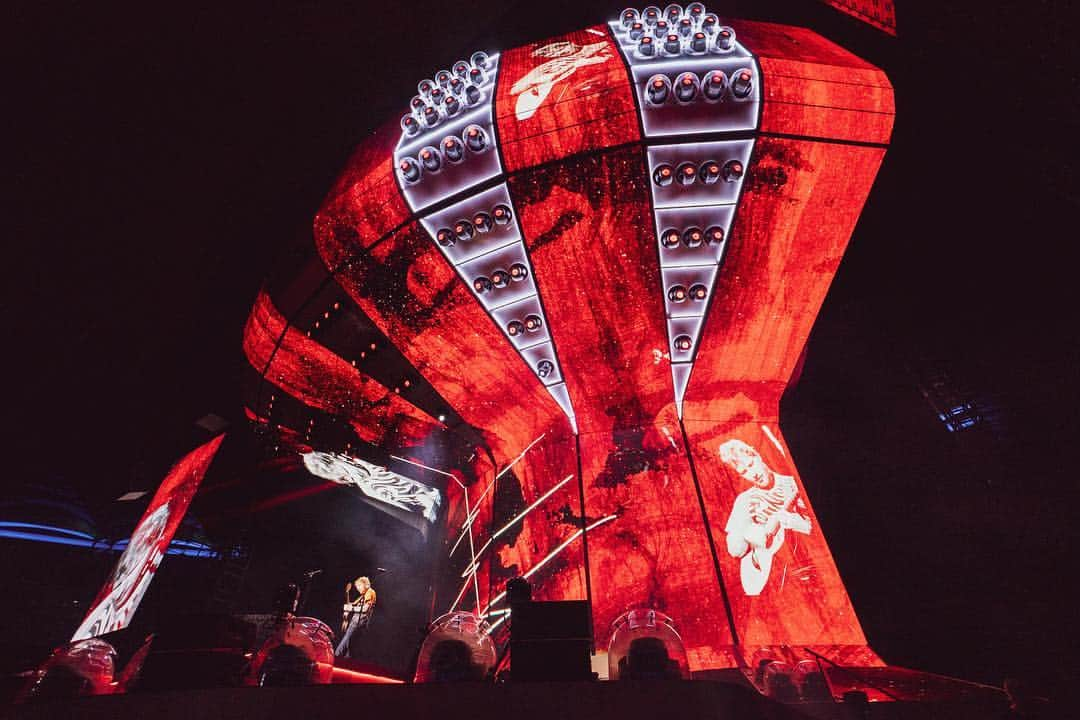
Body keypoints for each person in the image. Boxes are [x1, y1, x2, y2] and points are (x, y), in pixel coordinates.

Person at [719, 439, 812, 596]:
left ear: (758, 455)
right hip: (771, 578)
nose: (753, 474)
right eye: (744, 472)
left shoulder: (793, 484)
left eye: (751, 464)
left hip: (805, 569)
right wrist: (747, 530)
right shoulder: (745, 500)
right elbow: (735, 551)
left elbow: (814, 529)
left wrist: (792, 521)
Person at [334, 576, 376, 658]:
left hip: (360, 621)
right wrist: (349, 604)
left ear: (365, 585)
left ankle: (336, 656)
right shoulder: (364, 595)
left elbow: (365, 609)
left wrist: (351, 608)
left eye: (359, 586)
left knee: (346, 640)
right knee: (350, 643)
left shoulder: (370, 592)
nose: (358, 589)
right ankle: (345, 661)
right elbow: (353, 604)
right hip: (357, 620)